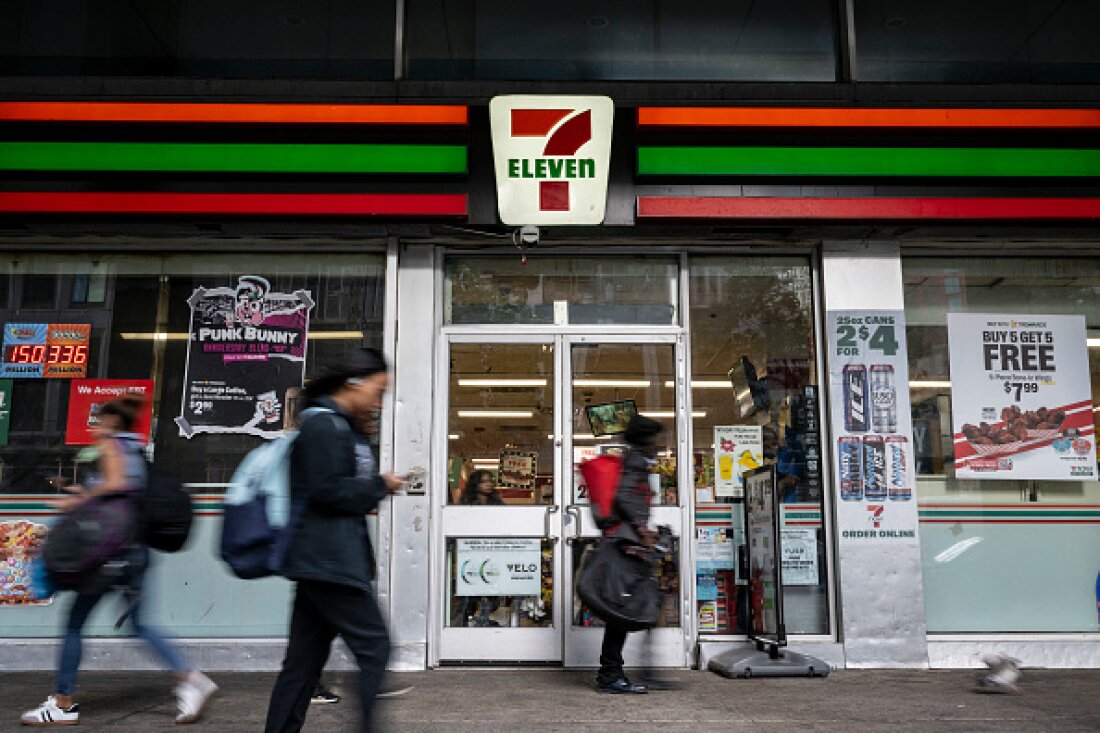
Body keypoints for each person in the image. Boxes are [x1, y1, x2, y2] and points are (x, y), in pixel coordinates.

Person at [20, 396, 217, 727]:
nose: (94, 426)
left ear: (112, 422)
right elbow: (120, 495)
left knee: (74, 624)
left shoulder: (113, 447)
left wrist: (76, 502)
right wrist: (75, 491)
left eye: (98, 420)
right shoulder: (133, 449)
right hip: (131, 552)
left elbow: (118, 485)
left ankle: (63, 703)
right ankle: (190, 680)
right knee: (139, 624)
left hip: (110, 557)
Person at [265, 348, 405, 732]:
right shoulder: (324, 427)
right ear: (353, 383)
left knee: (303, 664)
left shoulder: (337, 425)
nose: (378, 402)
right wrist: (381, 485)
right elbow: (329, 491)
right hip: (331, 562)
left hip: (321, 561)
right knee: (375, 649)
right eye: (377, 391)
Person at [595, 414, 663, 695]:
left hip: (627, 542)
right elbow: (624, 496)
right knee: (621, 612)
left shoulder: (636, 460)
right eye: (657, 437)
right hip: (626, 544)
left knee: (626, 609)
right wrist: (642, 529)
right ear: (646, 438)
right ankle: (610, 674)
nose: (660, 443)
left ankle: (618, 671)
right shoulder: (636, 461)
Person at [456, 470, 505, 627]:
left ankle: (482, 618)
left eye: (490, 481)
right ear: (476, 484)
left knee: (491, 589)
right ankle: (465, 621)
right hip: (472, 551)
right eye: (484, 481)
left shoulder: (497, 504)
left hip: (492, 550)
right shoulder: (467, 505)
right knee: (470, 590)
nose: (489, 484)